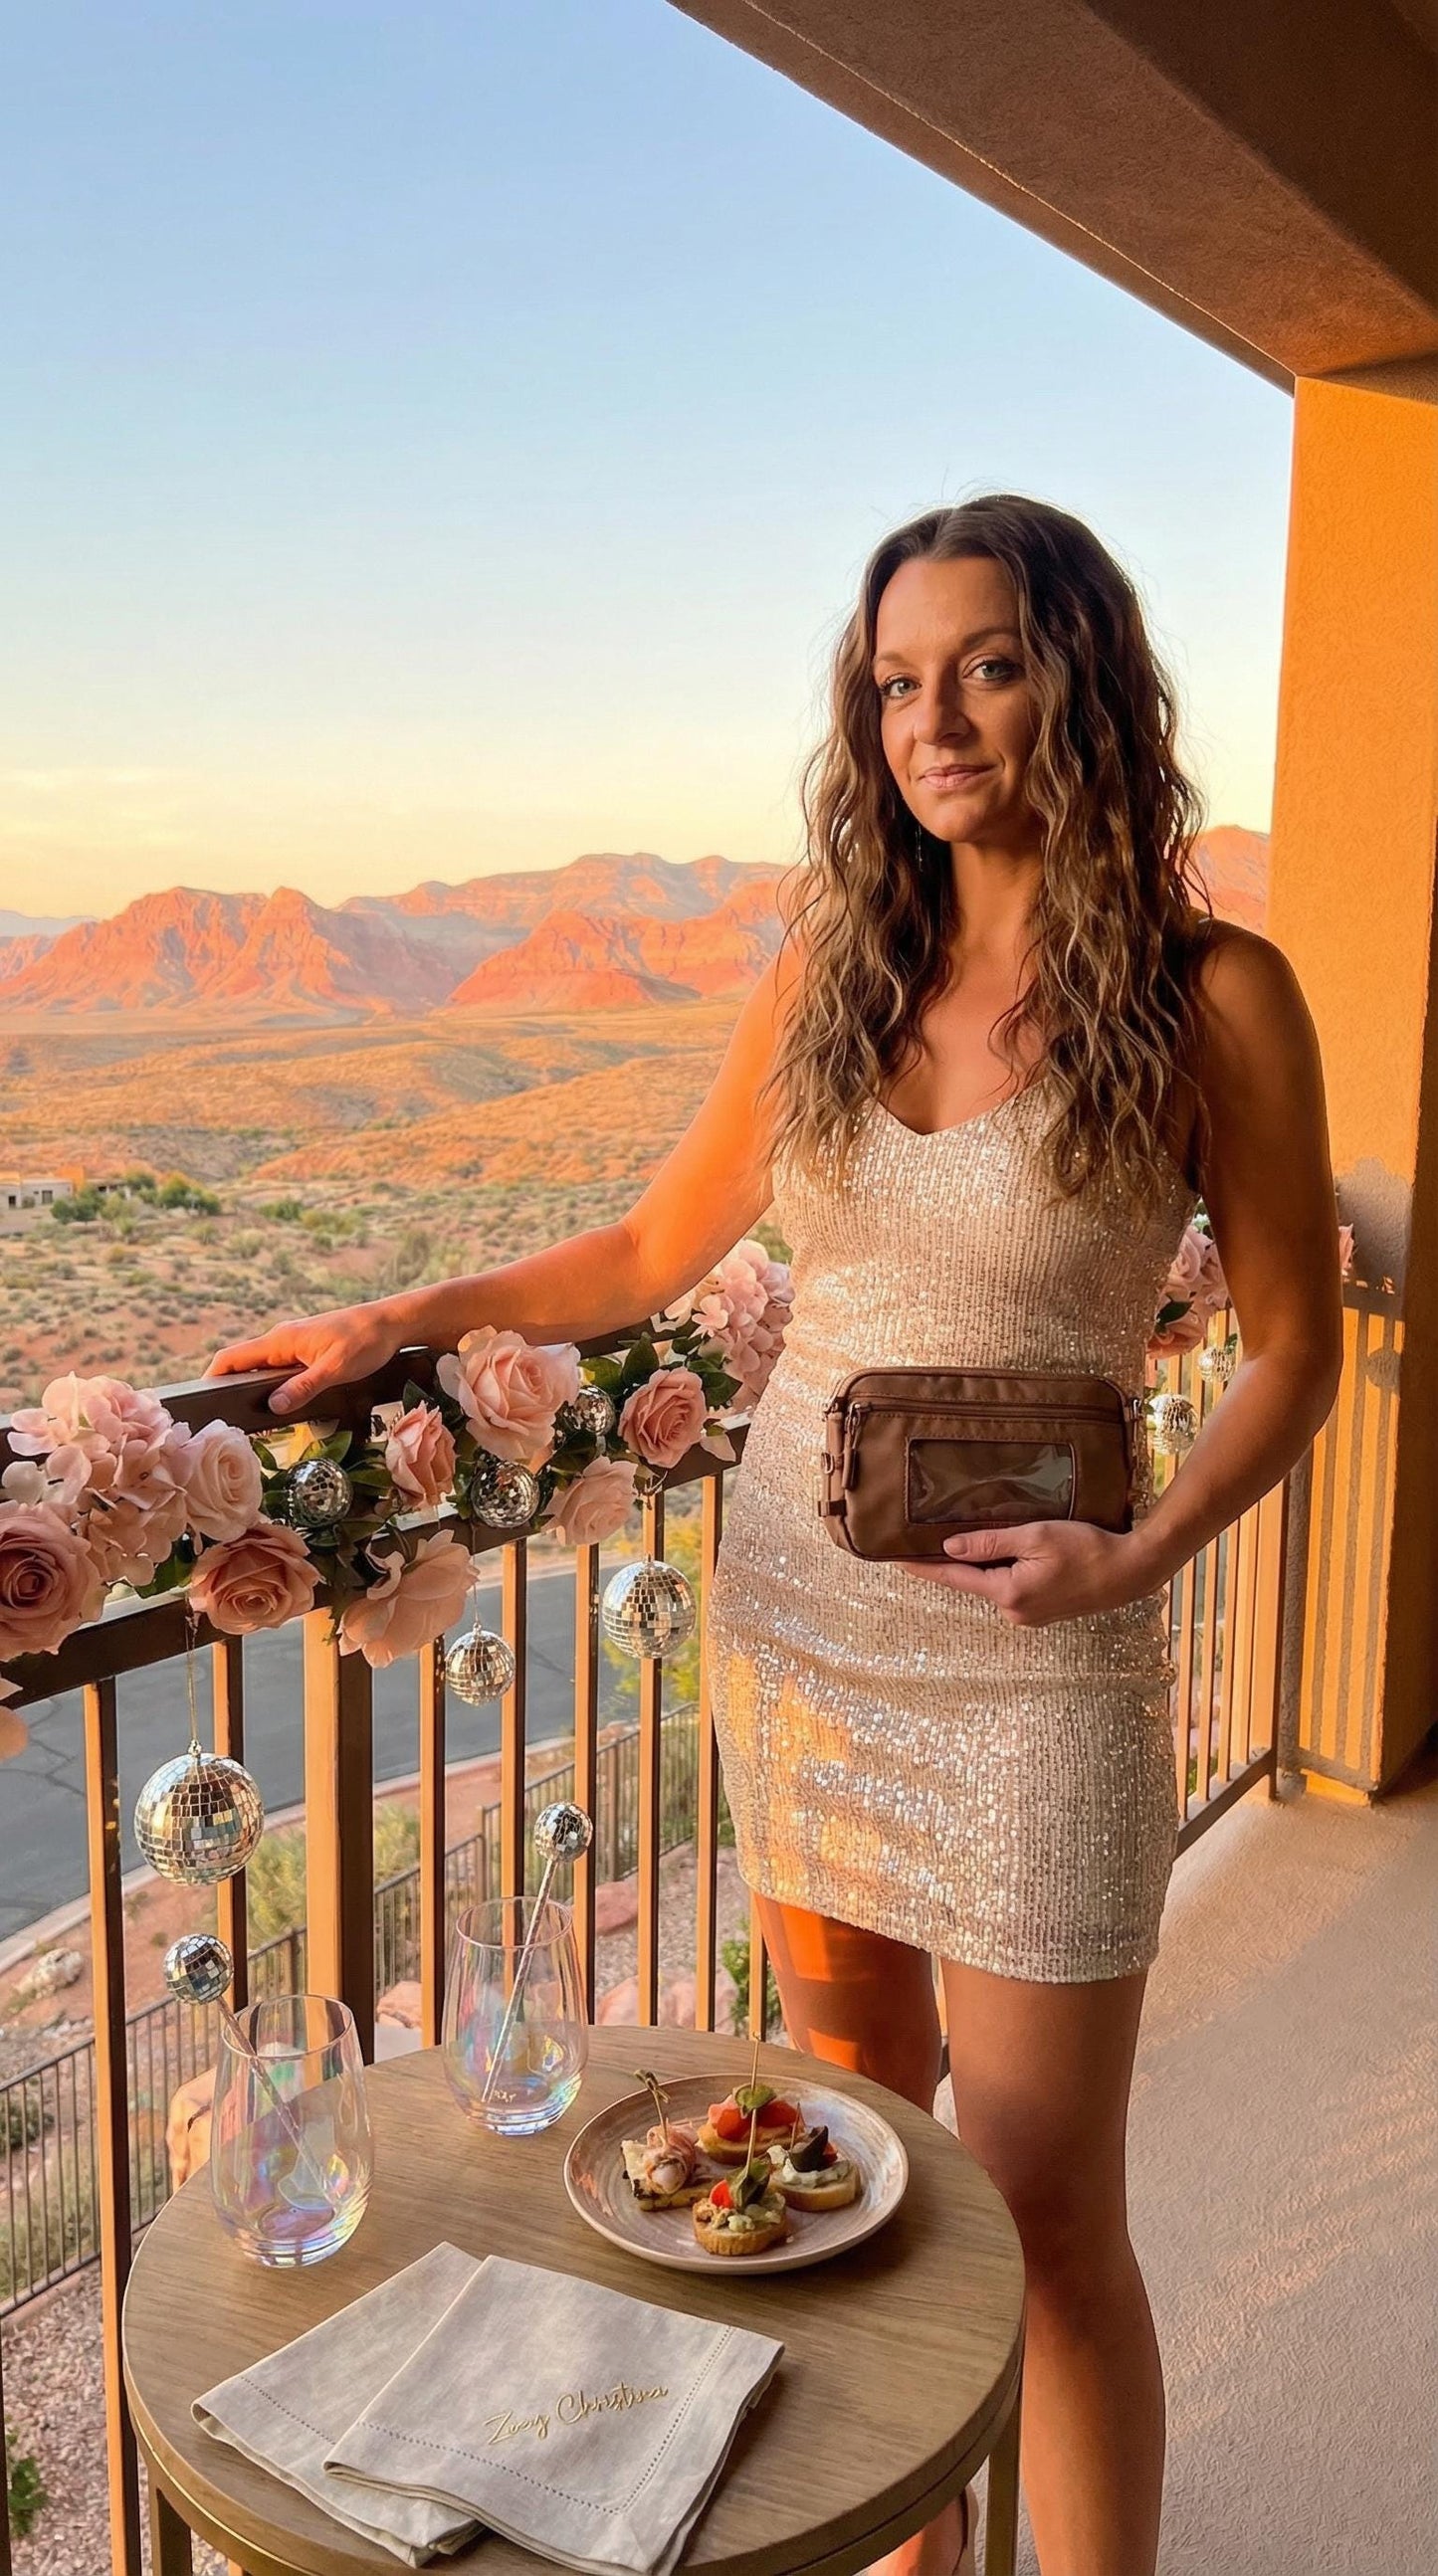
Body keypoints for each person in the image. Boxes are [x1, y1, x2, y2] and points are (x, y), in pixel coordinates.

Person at [209, 495, 1344, 2576]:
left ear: (1077, 678)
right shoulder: (836, 963)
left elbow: (1290, 1350)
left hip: (1045, 1651)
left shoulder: (1214, 992)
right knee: (865, 2161)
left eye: (987, 663)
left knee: (1047, 2204)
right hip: (806, 1630)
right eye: (899, 680)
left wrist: (1142, 1551)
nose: (939, 717)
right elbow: (654, 1243)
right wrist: (410, 1315)